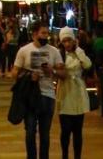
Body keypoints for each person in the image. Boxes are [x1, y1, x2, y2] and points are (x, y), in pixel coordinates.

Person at [12, 21, 66, 159]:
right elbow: (14, 73)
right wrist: (29, 75)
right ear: (34, 34)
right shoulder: (24, 50)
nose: (46, 36)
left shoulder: (54, 51)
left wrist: (52, 70)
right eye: (43, 33)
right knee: (30, 131)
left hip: (48, 95)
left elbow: (63, 74)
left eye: (47, 33)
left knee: (45, 133)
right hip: (30, 96)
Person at [56, 26, 92, 159]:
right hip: (65, 92)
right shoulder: (59, 54)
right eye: (64, 41)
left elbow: (87, 65)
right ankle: (64, 155)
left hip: (78, 92)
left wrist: (78, 51)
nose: (66, 44)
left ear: (73, 40)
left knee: (78, 130)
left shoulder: (79, 52)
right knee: (65, 130)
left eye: (69, 40)